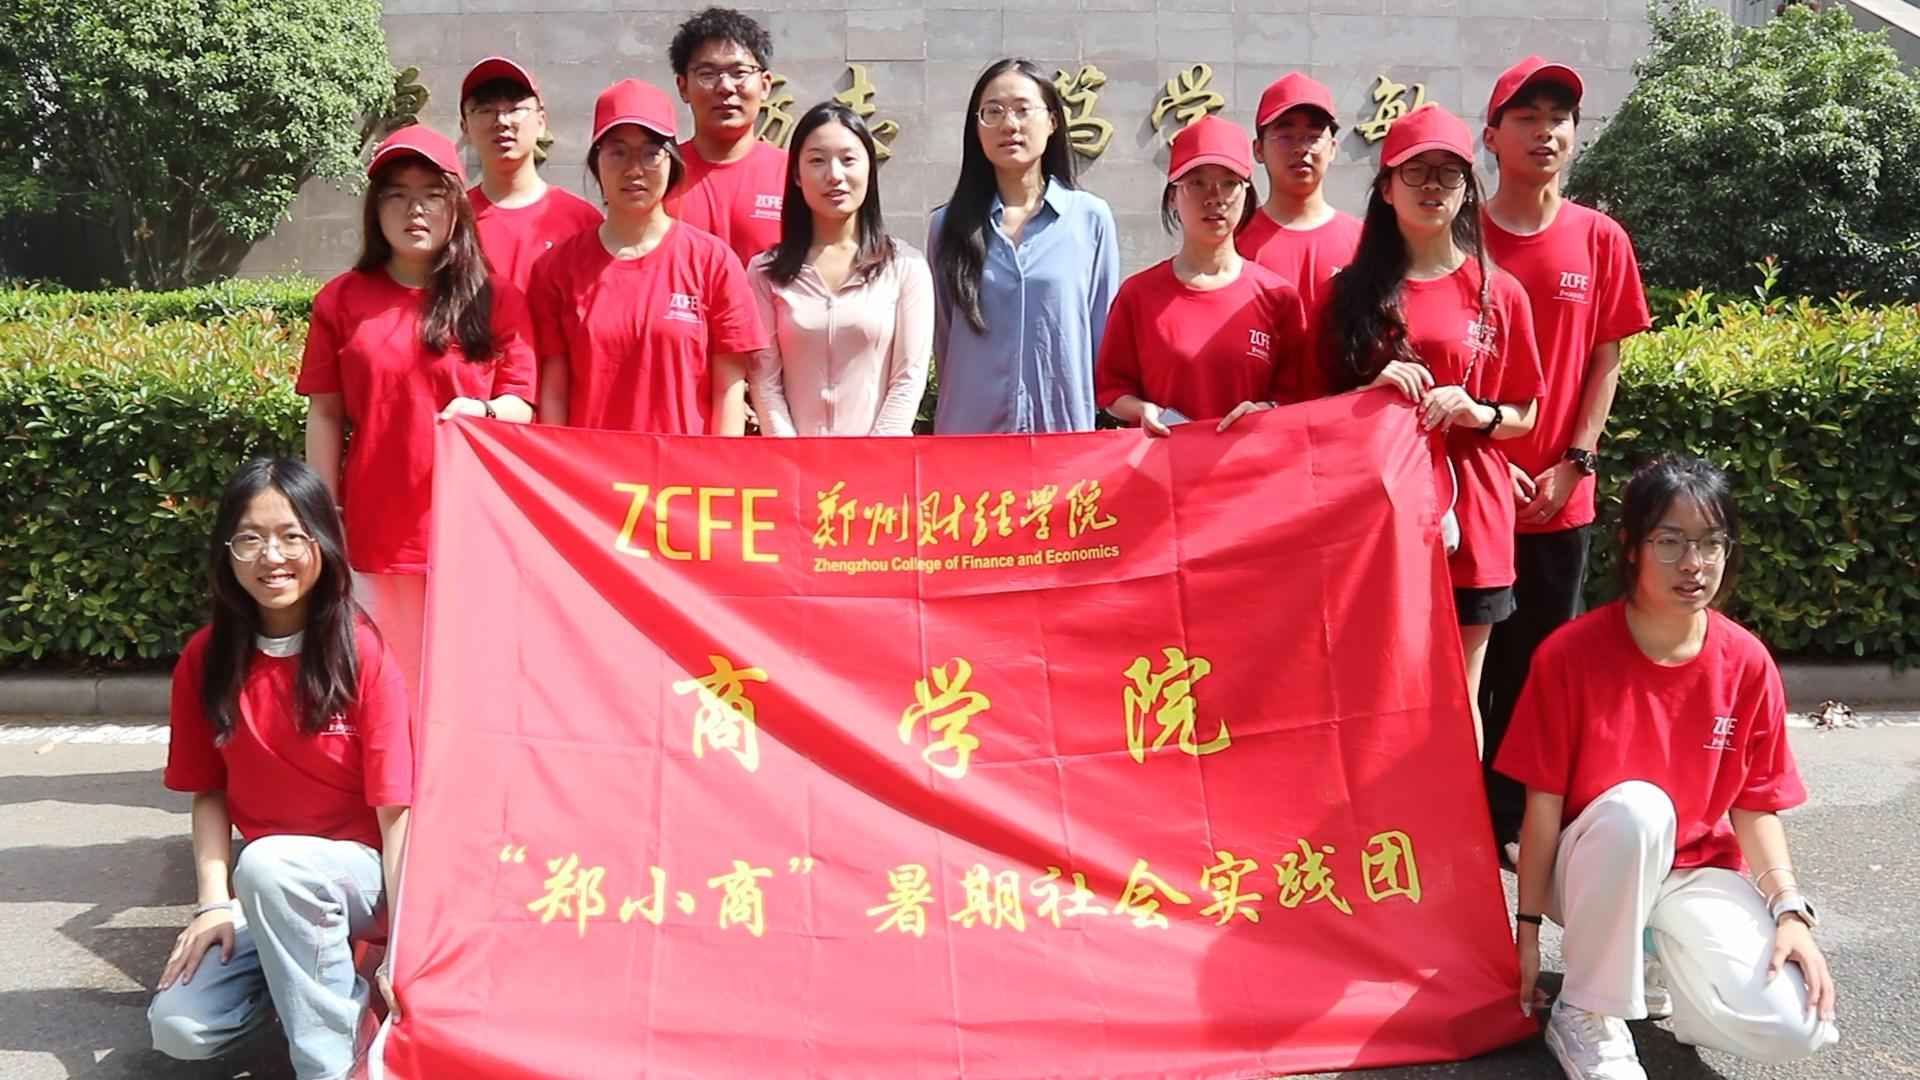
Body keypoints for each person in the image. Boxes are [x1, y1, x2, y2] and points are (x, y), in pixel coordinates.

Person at [1498, 456, 1839, 1080]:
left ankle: (1657, 963)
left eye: (1711, 543)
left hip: (1695, 870)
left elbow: (1756, 804)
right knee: (1639, 809)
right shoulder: (1570, 655)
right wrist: (1526, 936)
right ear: (1631, 547)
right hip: (1592, 867)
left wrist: (1790, 911)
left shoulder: (1746, 662)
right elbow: (1541, 808)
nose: (1693, 563)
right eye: (1670, 542)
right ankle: (1587, 1010)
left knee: (1798, 1024)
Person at [148, 458, 414, 1080]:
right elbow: (208, 792)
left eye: (292, 536)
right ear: (227, 552)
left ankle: (334, 1066)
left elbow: (396, 814)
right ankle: (309, 985)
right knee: (182, 1028)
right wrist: (213, 906)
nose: (272, 556)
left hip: (365, 881)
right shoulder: (206, 659)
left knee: (270, 865)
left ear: (322, 542)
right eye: (250, 538)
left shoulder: (362, 652)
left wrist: (403, 949)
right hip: (269, 889)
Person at [1322, 103, 1542, 754]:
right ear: (1386, 188)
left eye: (1448, 174)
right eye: (1414, 172)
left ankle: (1458, 821)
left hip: (1471, 517)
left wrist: (1478, 412)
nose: (1431, 187)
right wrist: (1369, 394)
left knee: (1458, 691)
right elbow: (1315, 416)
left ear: (1467, 189)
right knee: (1380, 688)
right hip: (1378, 518)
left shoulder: (1500, 292)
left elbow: (1526, 414)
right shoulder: (1351, 295)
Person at [1476, 56, 1654, 853]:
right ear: (1491, 137)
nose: (1545, 132)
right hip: (1473, 493)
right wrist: (1489, 463)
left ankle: (1520, 820)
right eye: (1526, 118)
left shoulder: (1600, 238)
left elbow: (1604, 359)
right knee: (1466, 667)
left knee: (1542, 668)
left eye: (1559, 119)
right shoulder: (1460, 237)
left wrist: (1575, 460)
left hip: (1558, 496)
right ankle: (1461, 814)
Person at [300, 125, 537, 703]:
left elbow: (522, 403)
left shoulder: (494, 298)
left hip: (474, 526)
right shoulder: (341, 301)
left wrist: (482, 409)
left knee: (472, 680)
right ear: (374, 208)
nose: (415, 210)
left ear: (456, 205)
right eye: (397, 195)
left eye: (432, 194)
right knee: (391, 681)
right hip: (379, 529)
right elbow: (326, 414)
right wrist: (321, 513)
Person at [531, 79, 766, 434]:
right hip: (588, 467)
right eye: (618, 152)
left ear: (672, 161)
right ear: (596, 162)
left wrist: (722, 466)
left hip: (685, 467)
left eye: (650, 152)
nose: (634, 169)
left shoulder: (713, 262)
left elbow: (728, 391)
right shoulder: (557, 269)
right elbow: (554, 392)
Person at [928, 58, 1120, 434]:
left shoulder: (1089, 219)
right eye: (993, 112)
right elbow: (945, 340)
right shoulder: (947, 226)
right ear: (976, 128)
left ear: (1052, 121)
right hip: (968, 439)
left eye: (1022, 109)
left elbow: (1103, 339)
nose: (1009, 124)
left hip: (1061, 440)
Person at [1095, 115, 1310, 434]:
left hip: (1251, 461)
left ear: (1246, 194)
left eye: (1229, 183)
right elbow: (1112, 391)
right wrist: (1143, 411)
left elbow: (1301, 395)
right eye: (1196, 183)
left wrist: (1266, 411)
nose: (1214, 197)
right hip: (1164, 460)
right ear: (1173, 196)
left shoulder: (1278, 297)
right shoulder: (1137, 295)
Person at [747, 102, 932, 436]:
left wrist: (874, 455)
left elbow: (909, 377)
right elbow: (765, 380)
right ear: (797, 175)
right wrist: (791, 456)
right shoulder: (765, 271)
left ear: (869, 169)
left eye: (848, 160)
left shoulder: (905, 267)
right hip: (793, 461)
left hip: (881, 461)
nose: (834, 175)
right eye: (817, 160)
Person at [1236, 71, 1363, 395]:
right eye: (1285, 135)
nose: (1300, 148)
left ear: (1333, 147)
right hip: (1257, 419)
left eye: (1313, 135)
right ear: (1258, 150)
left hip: (1343, 417)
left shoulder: (1365, 243)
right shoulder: (1233, 243)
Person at [458, 56, 604, 292]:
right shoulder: (453, 222)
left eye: (516, 108)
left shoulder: (584, 222)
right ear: (465, 127)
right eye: (485, 110)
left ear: (541, 122)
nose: (502, 121)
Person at [664, 7, 787, 267]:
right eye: (707, 74)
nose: (725, 87)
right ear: (683, 86)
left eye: (739, 72)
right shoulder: (661, 175)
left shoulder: (795, 176)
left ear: (765, 85)